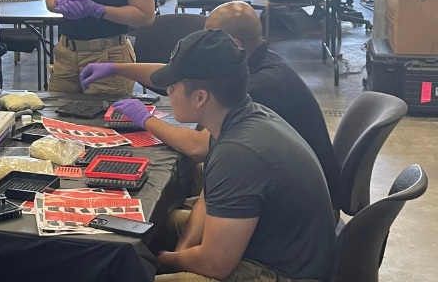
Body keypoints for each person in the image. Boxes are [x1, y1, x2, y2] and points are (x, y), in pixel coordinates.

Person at [82, 1, 341, 209]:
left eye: (210, 35)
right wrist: (117, 68)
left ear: (233, 45)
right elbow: (179, 72)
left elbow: (198, 147)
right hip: (286, 190)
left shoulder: (260, 87)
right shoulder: (254, 62)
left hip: (289, 208)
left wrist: (145, 119)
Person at [128, 29, 336, 282]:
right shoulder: (240, 117)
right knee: (162, 224)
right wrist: (181, 250)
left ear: (200, 97)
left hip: (283, 273)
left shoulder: (238, 153)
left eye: (173, 86)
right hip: (274, 247)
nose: (168, 91)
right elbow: (211, 197)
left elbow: (215, 264)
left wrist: (163, 261)